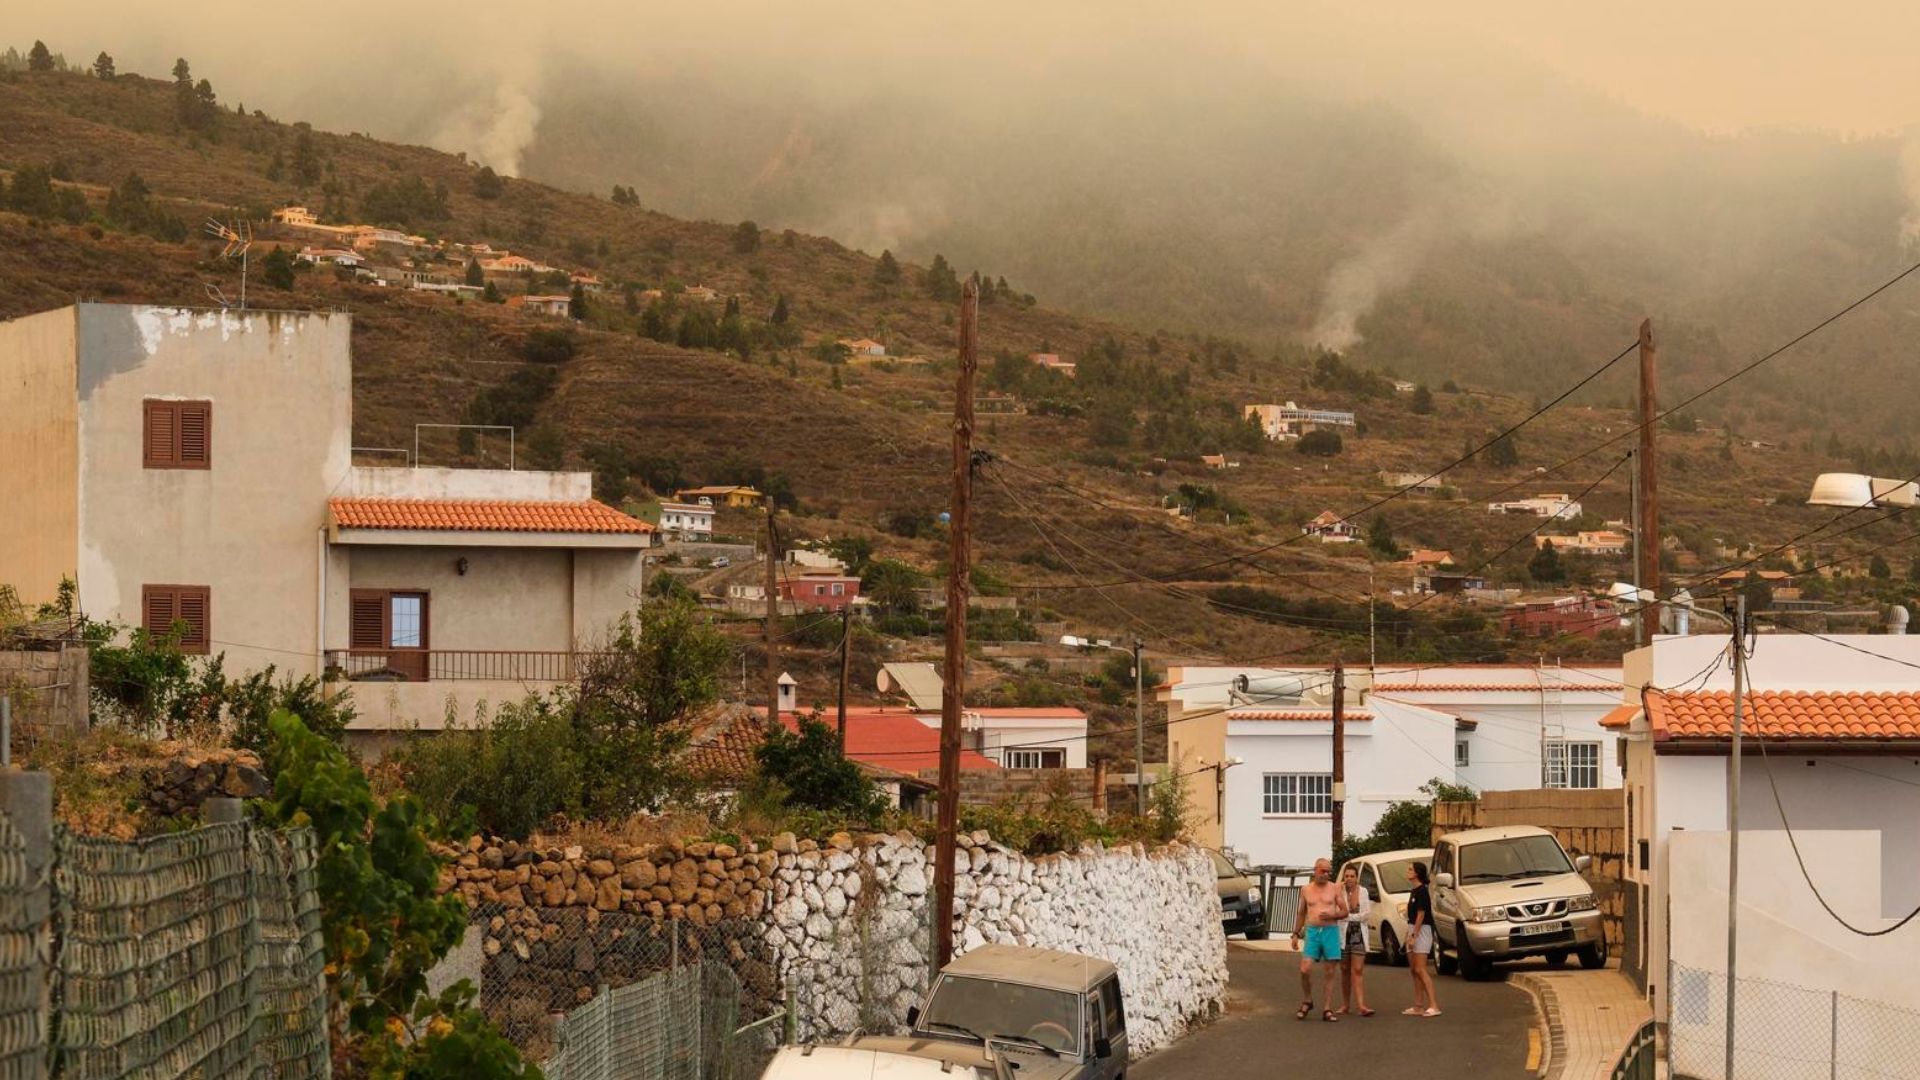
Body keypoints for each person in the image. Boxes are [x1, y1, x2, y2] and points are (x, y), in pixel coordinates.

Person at [1291, 857, 1349, 1021]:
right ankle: (1308, 999)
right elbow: (1301, 912)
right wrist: (1295, 933)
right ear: (1315, 870)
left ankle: (1327, 1008)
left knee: (1330, 971)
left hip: (1330, 931)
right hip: (1313, 931)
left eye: (1329, 872)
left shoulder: (1335, 888)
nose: (1326, 874)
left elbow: (1345, 911)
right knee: (1305, 968)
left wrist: (1333, 914)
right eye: (1323, 871)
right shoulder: (1306, 890)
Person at [1404, 861, 1441, 1018]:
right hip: (1412, 928)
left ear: (1417, 873)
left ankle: (1434, 1004)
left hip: (1422, 930)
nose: (1408, 871)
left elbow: (1421, 914)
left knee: (1420, 968)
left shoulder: (1422, 891)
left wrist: (1414, 936)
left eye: (1410, 869)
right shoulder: (1414, 891)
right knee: (1414, 970)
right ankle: (1418, 1005)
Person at [1337, 865, 1374, 1017]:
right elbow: (1338, 912)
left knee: (1357, 970)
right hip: (1343, 935)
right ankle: (1345, 1004)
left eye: (1352, 876)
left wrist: (1349, 917)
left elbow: (1366, 915)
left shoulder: (1363, 891)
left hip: (1358, 934)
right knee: (1344, 970)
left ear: (1357, 877)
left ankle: (1361, 1005)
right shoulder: (1339, 891)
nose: (1349, 879)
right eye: (1346, 876)